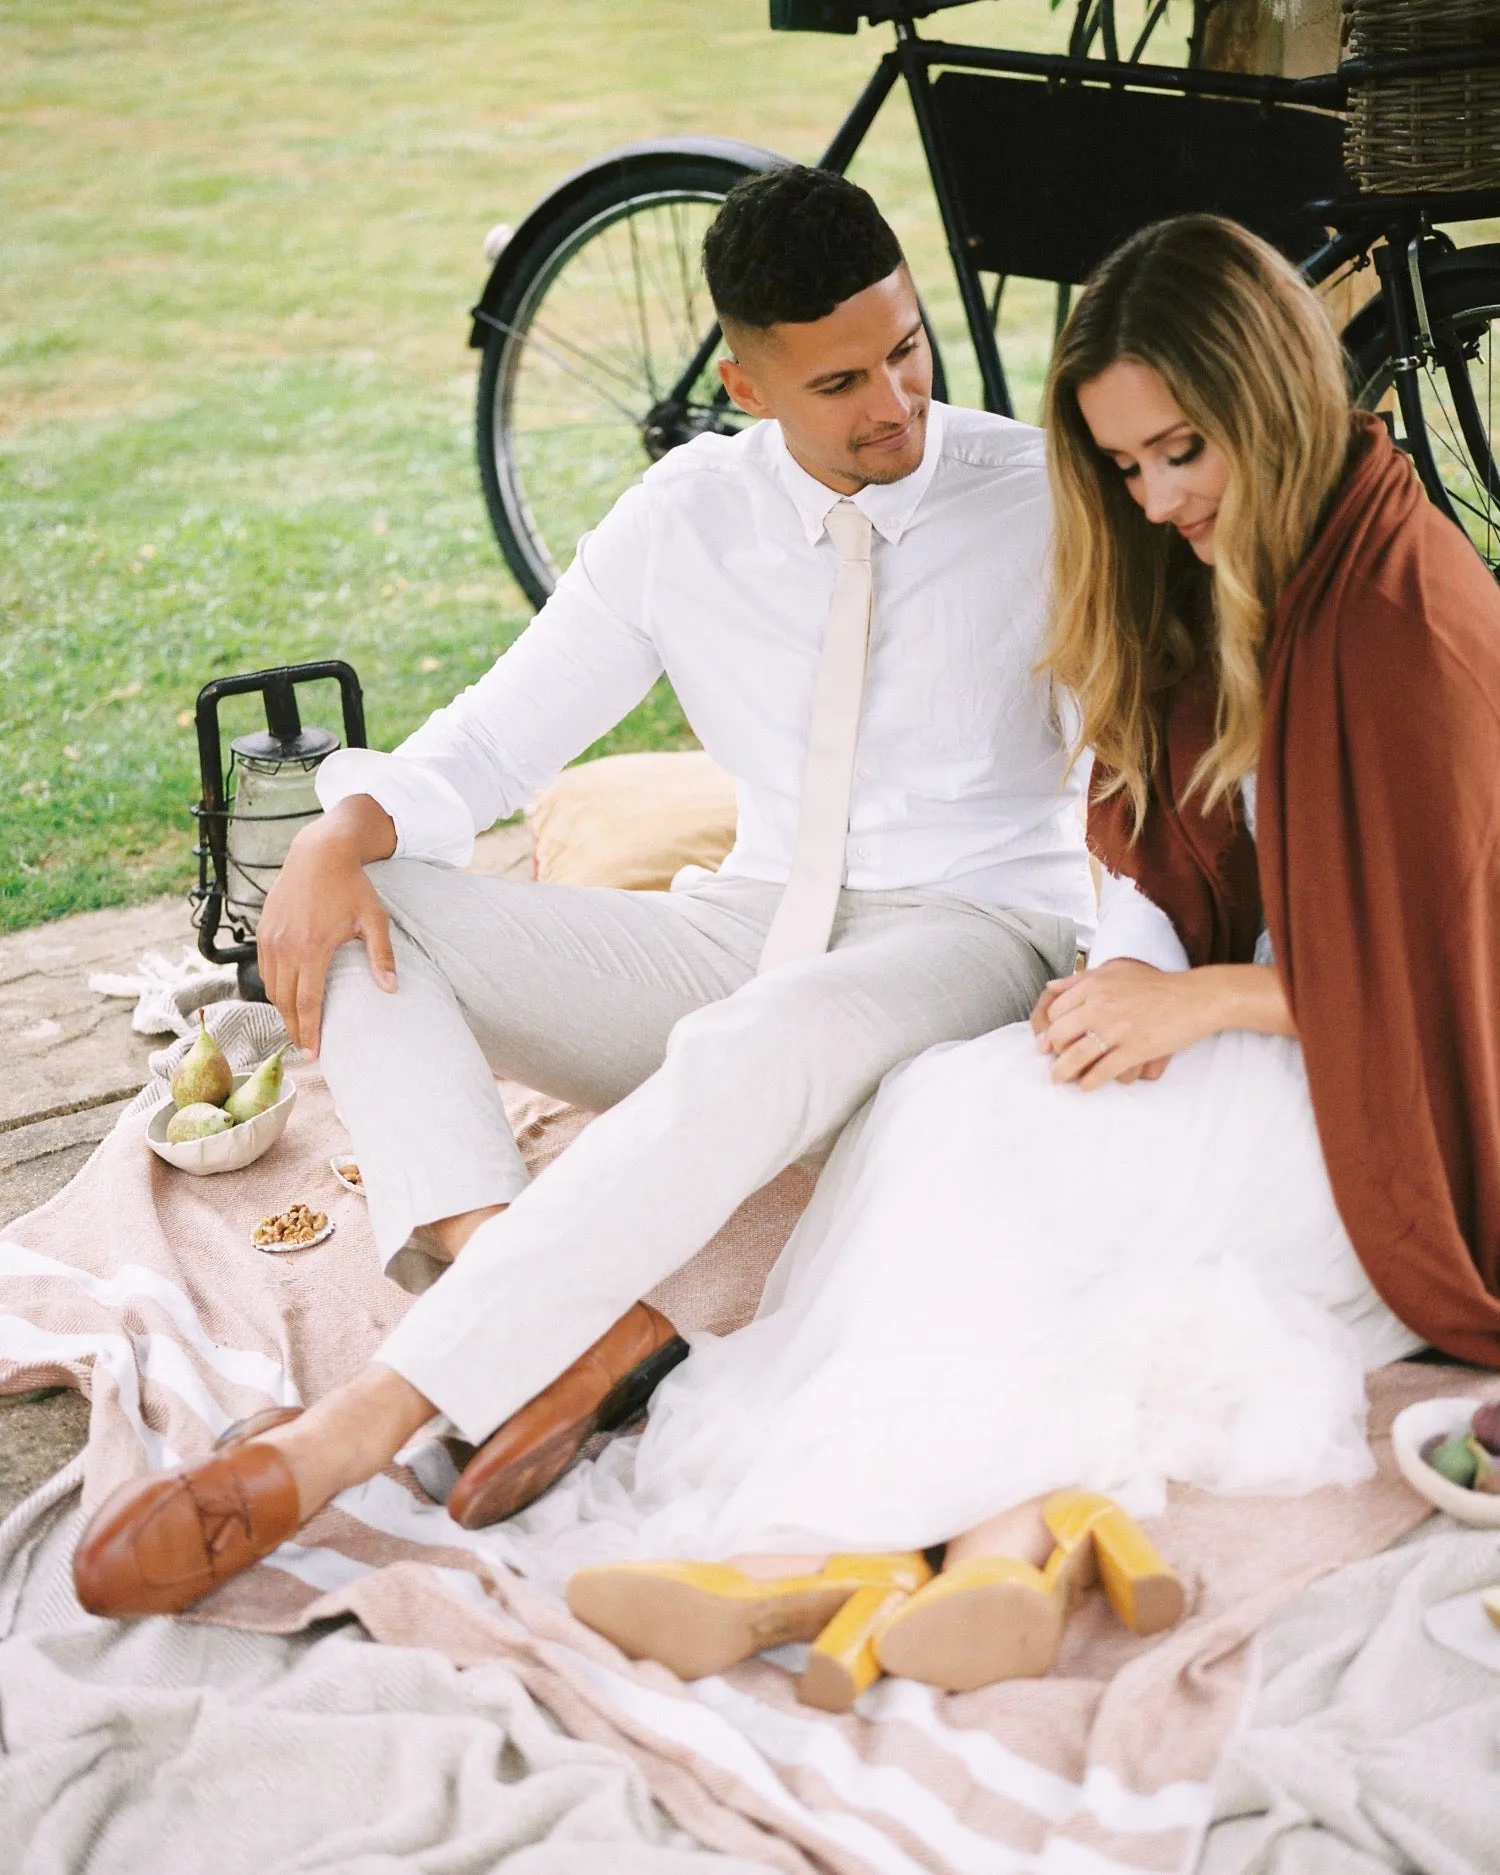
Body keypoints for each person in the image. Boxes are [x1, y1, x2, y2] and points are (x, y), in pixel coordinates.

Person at [488, 210, 1500, 1708]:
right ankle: (977, 1551)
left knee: (1058, 1209)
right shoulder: (1233, 558)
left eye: (1182, 452)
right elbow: (1163, 826)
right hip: (1250, 1019)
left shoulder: (1409, 617)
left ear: (1272, 399)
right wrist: (1127, 974)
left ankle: (811, 1555)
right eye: (1125, 465)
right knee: (956, 1115)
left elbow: (1450, 965)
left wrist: (1203, 1000)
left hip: (1370, 1097)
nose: (1156, 500)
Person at [70, 168, 1097, 1615]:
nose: (897, 405)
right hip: (741, 926)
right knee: (385, 903)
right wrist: (333, 836)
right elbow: (492, 740)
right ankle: (548, 1304)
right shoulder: (688, 515)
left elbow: (1166, 778)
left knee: (763, 1039)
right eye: (841, 380)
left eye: (909, 348)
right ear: (742, 382)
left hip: (974, 935)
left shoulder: (1048, 496)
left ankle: (351, 1431)